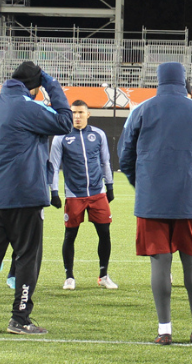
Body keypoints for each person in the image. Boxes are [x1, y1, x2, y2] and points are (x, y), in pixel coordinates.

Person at [118, 61, 192, 345]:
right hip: (188, 199)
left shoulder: (141, 110)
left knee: (159, 265)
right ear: (183, 80)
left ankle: (164, 330)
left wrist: (140, 183)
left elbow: (125, 154)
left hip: (151, 200)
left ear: (158, 80)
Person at [0, 61, 72, 335]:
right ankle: (20, 318)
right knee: (27, 257)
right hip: (25, 197)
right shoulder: (30, 107)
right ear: (36, 87)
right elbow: (65, 121)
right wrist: (52, 84)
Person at [47, 99, 117, 291]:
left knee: (105, 234)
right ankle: (69, 277)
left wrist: (109, 186)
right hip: (74, 194)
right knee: (70, 235)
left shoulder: (98, 134)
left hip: (97, 193)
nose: (76, 116)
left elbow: (105, 162)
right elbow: (53, 167)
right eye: (73, 113)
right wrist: (53, 192)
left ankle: (103, 275)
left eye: (80, 112)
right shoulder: (61, 137)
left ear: (88, 114)